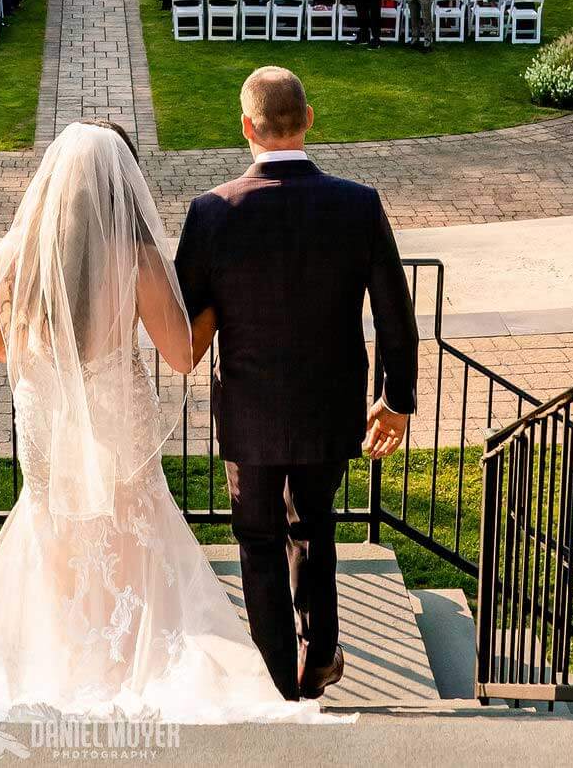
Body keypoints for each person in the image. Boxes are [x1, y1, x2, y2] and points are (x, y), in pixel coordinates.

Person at [0, 122, 329, 724]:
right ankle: (123, 661)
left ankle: (62, 661)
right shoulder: (134, 258)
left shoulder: (12, 255)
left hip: (46, 424)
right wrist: (220, 307)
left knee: (55, 539)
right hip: (115, 429)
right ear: (121, 188)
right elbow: (182, 356)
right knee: (130, 542)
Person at [174, 69, 415, 702]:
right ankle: (320, 655)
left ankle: (279, 678)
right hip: (329, 405)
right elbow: (396, 311)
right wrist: (396, 400)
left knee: (256, 538)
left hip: (249, 411)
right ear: (308, 118)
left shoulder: (210, 213)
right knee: (314, 523)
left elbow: (185, 325)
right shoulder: (358, 204)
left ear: (246, 126)